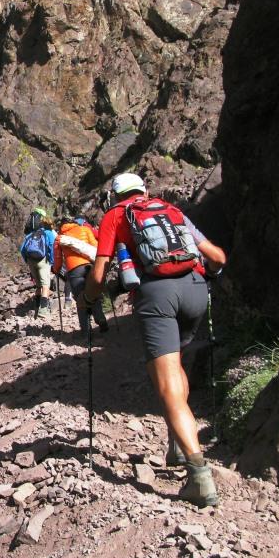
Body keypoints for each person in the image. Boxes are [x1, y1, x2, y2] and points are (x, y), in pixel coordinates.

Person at [83, 173, 226, 507]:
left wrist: (89, 301)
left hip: (157, 296)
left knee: (166, 381)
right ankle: (178, 442)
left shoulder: (116, 215)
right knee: (175, 368)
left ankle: (198, 475)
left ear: (113, 196)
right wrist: (210, 278)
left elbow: (100, 273)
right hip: (195, 290)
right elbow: (217, 257)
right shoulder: (170, 210)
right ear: (144, 191)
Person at [53, 216, 108, 336]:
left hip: (74, 270)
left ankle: (86, 331)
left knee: (81, 299)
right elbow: (96, 246)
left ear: (61, 226)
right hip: (90, 266)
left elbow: (57, 259)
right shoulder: (85, 229)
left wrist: (56, 270)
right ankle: (101, 320)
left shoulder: (59, 238)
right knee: (93, 293)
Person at [20, 216, 57, 315]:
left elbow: (22, 249)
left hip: (31, 261)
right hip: (43, 261)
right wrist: (52, 261)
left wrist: (27, 261)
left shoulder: (30, 235)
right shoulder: (48, 233)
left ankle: (36, 308)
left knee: (38, 286)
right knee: (45, 286)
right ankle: (43, 310)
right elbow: (52, 247)